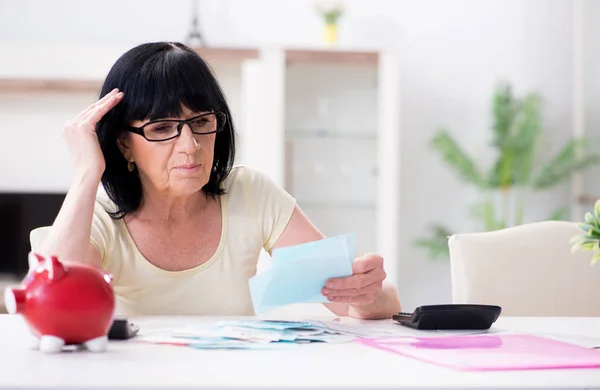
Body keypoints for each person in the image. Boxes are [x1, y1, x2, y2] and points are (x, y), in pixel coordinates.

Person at [33, 42, 401, 319]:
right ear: (124, 145)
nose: (190, 146)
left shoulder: (251, 194)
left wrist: (366, 290)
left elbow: (368, 302)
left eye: (201, 122)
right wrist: (86, 172)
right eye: (162, 128)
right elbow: (49, 299)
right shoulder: (99, 215)